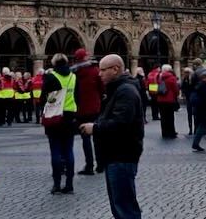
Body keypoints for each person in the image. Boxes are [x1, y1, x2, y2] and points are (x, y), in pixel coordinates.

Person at [80, 54, 142, 219]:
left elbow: (120, 123)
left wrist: (95, 128)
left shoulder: (126, 91)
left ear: (115, 69)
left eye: (102, 70)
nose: (99, 74)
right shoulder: (118, 89)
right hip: (115, 156)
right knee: (119, 206)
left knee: (125, 208)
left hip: (122, 155)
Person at [40, 53, 77, 195]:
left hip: (55, 116)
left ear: (54, 63)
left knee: (55, 151)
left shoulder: (51, 76)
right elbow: (77, 96)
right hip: (70, 116)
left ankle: (56, 184)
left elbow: (44, 96)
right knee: (68, 151)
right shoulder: (73, 77)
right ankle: (69, 185)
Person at [71, 49, 103, 176]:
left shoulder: (74, 73)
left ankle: (89, 165)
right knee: (98, 137)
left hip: (81, 109)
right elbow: (101, 88)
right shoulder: (95, 71)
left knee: (85, 138)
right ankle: (100, 164)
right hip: (95, 108)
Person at [151, 64, 179, 140]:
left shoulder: (158, 77)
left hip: (160, 99)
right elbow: (175, 89)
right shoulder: (172, 78)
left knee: (163, 117)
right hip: (169, 99)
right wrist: (176, 95)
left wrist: (154, 94)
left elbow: (153, 86)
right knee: (170, 116)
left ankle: (164, 132)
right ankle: (171, 132)